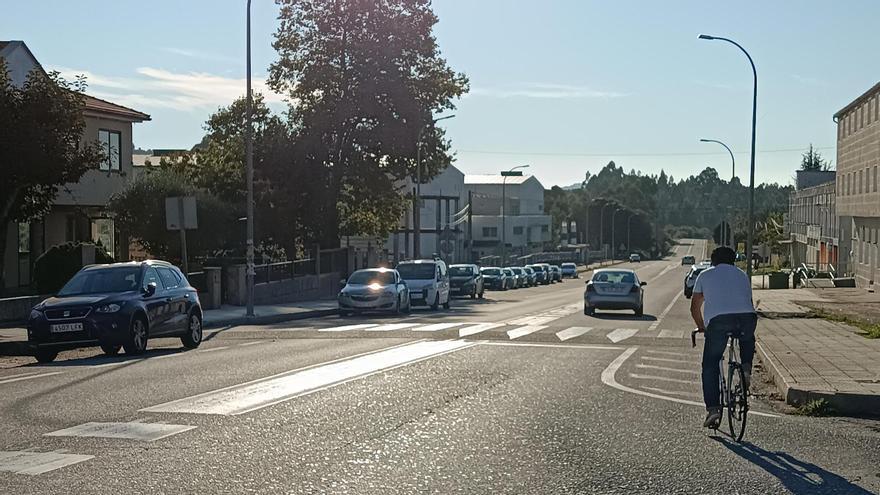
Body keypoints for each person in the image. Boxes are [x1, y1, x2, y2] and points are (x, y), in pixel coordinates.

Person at [689, 246, 757, 429]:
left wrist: (702, 327)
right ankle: (746, 368)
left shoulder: (705, 275)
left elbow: (694, 307)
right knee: (747, 337)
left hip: (719, 322)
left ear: (713, 261)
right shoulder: (742, 275)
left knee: (710, 365)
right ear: (733, 260)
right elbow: (748, 302)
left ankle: (713, 410)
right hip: (747, 318)